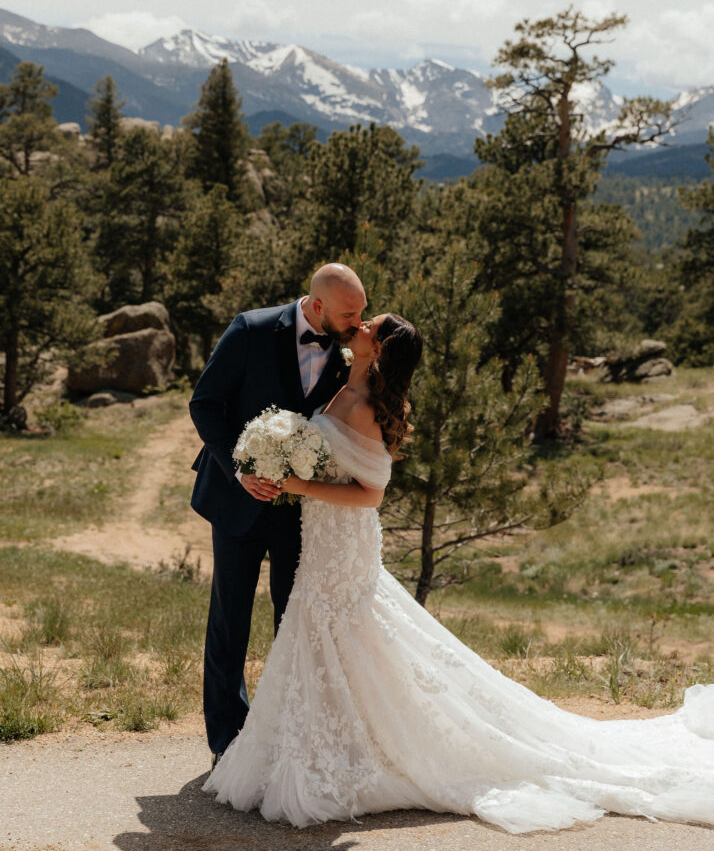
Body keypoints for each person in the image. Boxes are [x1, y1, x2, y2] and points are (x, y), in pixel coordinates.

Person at [203, 311, 714, 833]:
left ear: (377, 349)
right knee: (330, 641)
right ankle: (322, 740)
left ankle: (365, 749)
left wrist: (297, 486)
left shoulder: (364, 407)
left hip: (341, 545)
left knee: (347, 635)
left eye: (369, 324)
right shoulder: (343, 380)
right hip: (321, 541)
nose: (359, 324)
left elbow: (373, 493)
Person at [189, 263, 367, 768]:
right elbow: (205, 404)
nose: (359, 321)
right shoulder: (250, 329)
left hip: (301, 510)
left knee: (293, 621)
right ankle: (227, 740)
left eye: (361, 311)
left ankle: (284, 734)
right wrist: (239, 469)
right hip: (236, 499)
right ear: (316, 307)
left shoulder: (347, 350)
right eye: (349, 313)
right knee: (230, 619)